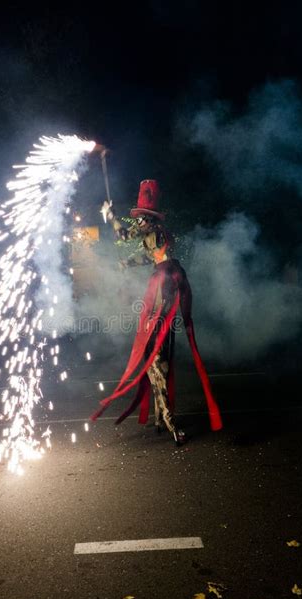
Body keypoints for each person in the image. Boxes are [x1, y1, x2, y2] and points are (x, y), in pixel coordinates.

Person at [92, 179, 222, 445]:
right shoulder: (156, 234)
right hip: (166, 279)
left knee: (157, 351)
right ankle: (160, 416)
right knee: (156, 353)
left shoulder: (152, 231)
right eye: (138, 219)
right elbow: (149, 256)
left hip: (165, 282)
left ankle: (168, 419)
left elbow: (123, 236)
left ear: (150, 220)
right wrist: (126, 263)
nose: (138, 223)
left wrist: (111, 217)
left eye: (141, 219)